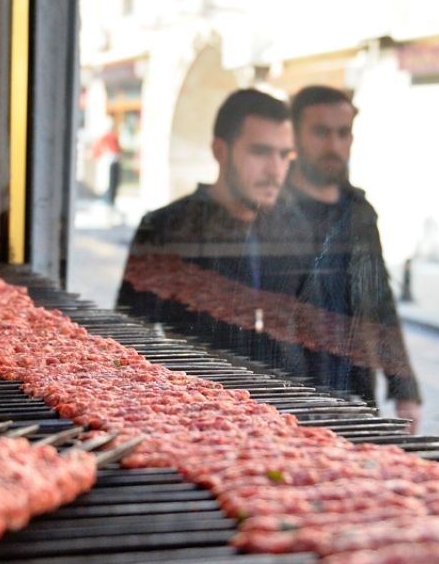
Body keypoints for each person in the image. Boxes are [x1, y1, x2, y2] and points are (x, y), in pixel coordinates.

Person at [116, 89, 316, 373]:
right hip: (199, 402)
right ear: (220, 151)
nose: (276, 170)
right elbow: (130, 339)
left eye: (285, 155)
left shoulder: (294, 227)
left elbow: (314, 333)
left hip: (286, 405)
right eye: (260, 151)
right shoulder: (167, 228)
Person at [283, 84, 422, 433]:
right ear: (294, 136)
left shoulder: (359, 213)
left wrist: (404, 389)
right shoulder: (269, 208)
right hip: (285, 394)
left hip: (354, 393)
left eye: (343, 133)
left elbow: (381, 301)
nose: (333, 146)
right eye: (320, 132)